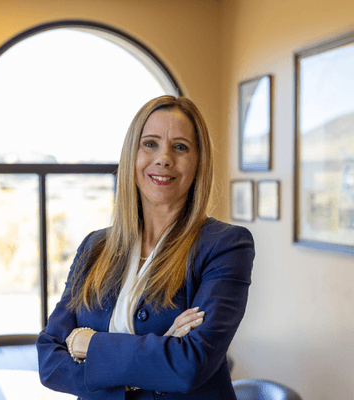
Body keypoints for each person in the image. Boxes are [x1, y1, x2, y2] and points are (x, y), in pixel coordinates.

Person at [37, 95, 255, 400]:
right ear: (132, 156)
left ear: (198, 162)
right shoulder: (94, 247)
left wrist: (88, 343)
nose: (164, 158)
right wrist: (155, 356)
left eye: (180, 147)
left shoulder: (226, 245)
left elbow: (188, 366)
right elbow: (49, 360)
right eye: (150, 143)